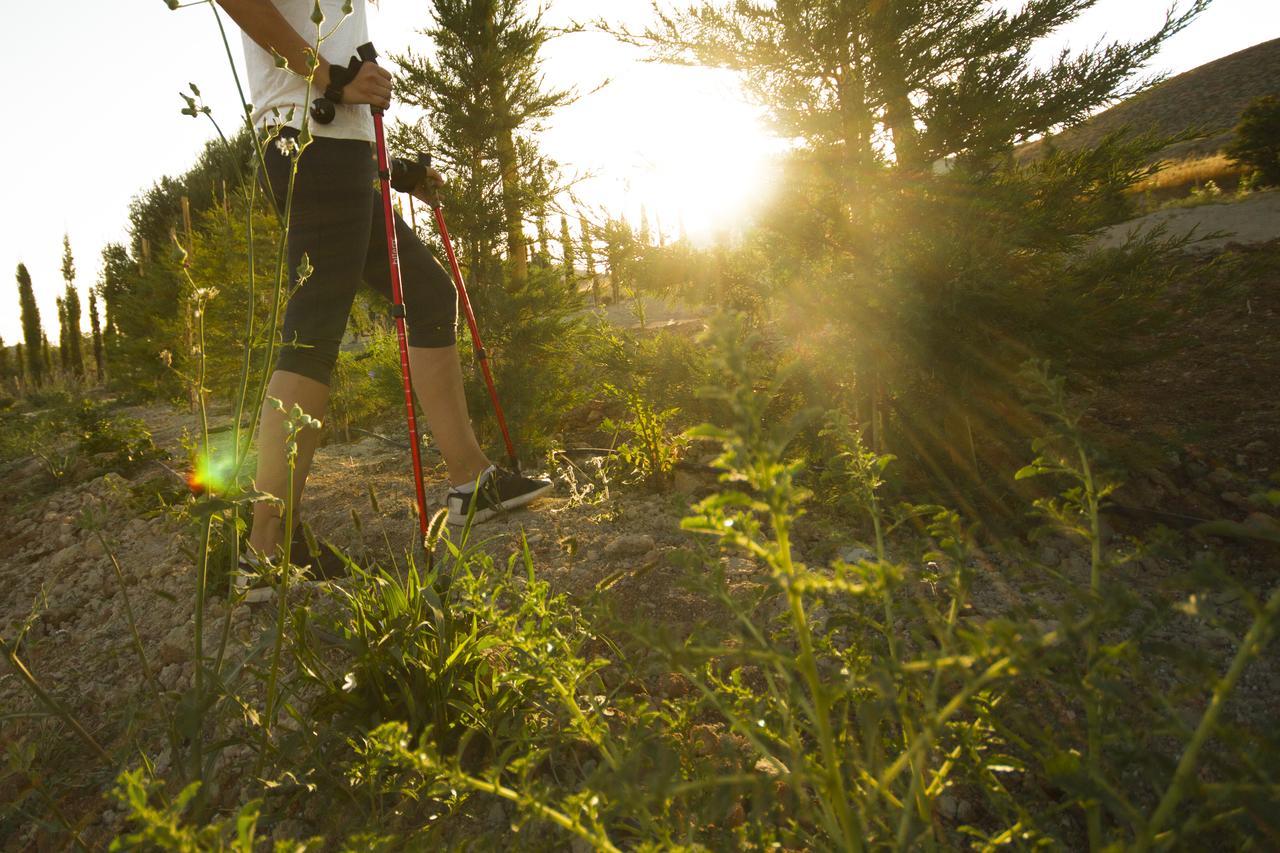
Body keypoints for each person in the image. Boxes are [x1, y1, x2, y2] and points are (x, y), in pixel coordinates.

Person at [217, 0, 551, 599]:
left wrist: (390, 166)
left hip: (335, 145)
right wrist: (331, 78)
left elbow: (334, 52)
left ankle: (472, 478)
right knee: (314, 328)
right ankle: (265, 550)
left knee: (428, 292)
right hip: (308, 139)